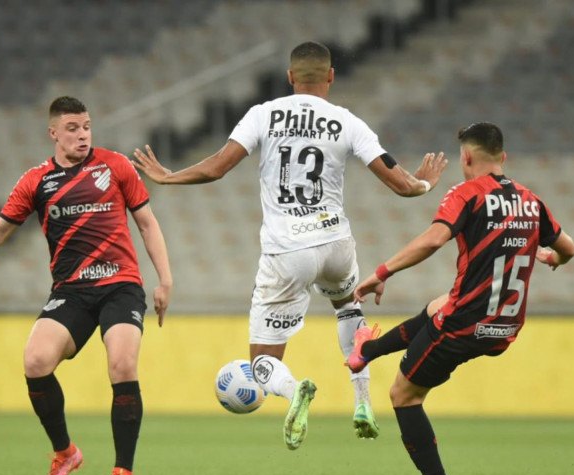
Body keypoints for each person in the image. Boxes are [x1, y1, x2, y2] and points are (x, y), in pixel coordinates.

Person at [132, 41, 447, 450]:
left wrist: (168, 176)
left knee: (262, 361)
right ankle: (363, 400)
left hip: (287, 250)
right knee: (349, 308)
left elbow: (217, 167)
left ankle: (294, 388)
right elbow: (402, 184)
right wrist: (424, 184)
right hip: (336, 242)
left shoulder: (263, 114)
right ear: (331, 76)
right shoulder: (346, 121)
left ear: (290, 77)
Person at [0, 96, 173, 475]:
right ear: (53, 133)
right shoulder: (36, 180)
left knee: (122, 363)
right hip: (71, 291)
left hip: (120, 285)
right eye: (73, 128)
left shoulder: (115, 166)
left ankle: (121, 473)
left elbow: (147, 223)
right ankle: (65, 453)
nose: (82, 135)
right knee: (35, 361)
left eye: (87, 126)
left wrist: (165, 280)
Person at [347, 121, 574, 475]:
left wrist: (382, 272)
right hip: (505, 327)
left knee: (404, 395)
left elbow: (434, 239)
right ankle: (366, 352)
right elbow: (569, 248)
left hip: (465, 326)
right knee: (441, 304)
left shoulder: (467, 194)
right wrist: (553, 258)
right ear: (503, 157)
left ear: (466, 157)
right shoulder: (531, 201)